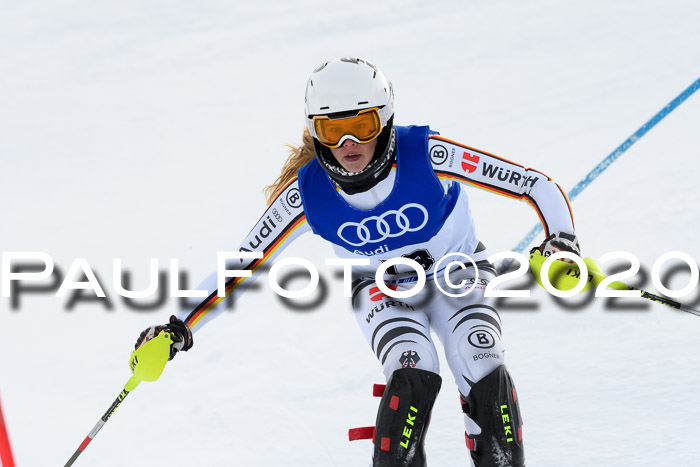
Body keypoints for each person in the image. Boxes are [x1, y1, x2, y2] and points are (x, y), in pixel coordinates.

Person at [136, 57, 580, 467]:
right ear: (315, 132)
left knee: (481, 358)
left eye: (363, 126)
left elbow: (534, 183)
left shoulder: (427, 153)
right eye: (332, 131)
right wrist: (178, 327)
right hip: (381, 289)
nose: (349, 143)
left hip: (456, 272)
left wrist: (560, 242)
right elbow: (243, 262)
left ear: (385, 121)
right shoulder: (305, 196)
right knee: (413, 371)